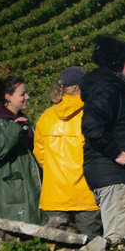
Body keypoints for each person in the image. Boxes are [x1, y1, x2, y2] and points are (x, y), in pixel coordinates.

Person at [82, 35, 125, 239]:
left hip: (111, 173)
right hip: (114, 173)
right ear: (117, 64)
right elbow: (92, 128)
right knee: (119, 239)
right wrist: (118, 154)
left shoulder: (108, 89)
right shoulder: (108, 91)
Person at [33, 67, 100, 236]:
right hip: (86, 195)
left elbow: (40, 155)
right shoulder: (91, 114)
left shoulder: (46, 117)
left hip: (53, 196)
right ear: (78, 89)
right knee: (92, 249)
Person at [0, 75, 43, 225]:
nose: (27, 96)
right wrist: (14, 129)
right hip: (11, 195)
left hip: (25, 191)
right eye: (22, 94)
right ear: (8, 97)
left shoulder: (20, 119)